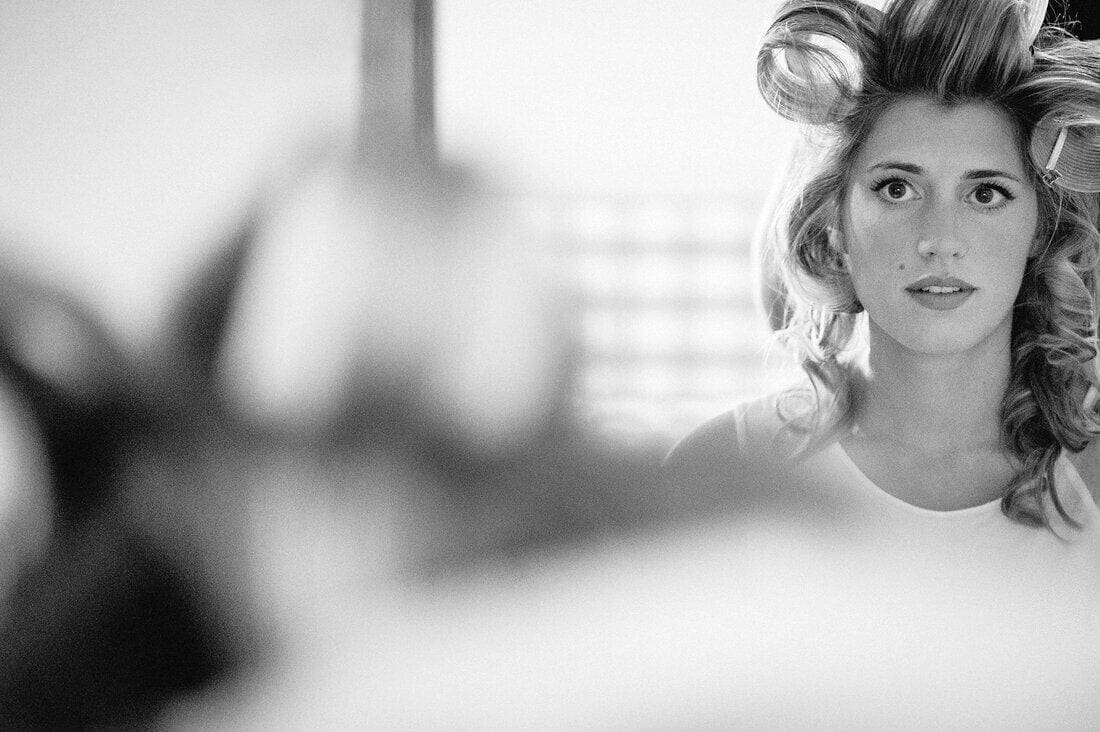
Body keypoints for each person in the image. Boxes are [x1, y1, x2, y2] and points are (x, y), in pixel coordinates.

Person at [665, 0, 1100, 567]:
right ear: (834, 223)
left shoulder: (1092, 482)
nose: (940, 240)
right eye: (897, 189)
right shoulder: (721, 471)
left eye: (985, 194)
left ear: (1039, 232)